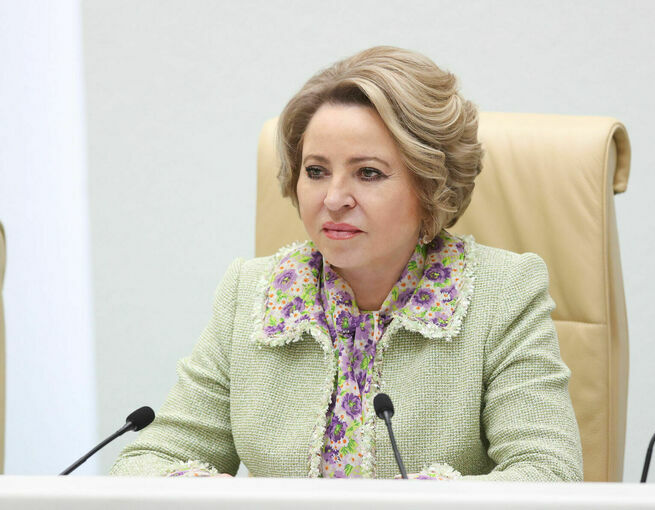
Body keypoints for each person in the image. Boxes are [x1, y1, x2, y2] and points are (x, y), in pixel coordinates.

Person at [110, 46, 582, 481]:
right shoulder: (250, 293)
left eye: (368, 173)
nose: (334, 199)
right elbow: (146, 462)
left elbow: (547, 473)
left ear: (431, 186)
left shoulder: (504, 293)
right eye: (316, 171)